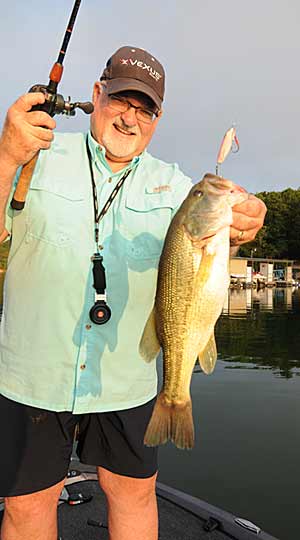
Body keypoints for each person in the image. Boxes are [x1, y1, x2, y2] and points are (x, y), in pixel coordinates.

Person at [0, 46, 266, 540]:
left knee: (135, 493)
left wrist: (248, 217)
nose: (131, 117)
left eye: (146, 109)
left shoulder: (174, 186)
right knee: (27, 506)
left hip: (128, 376)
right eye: (122, 100)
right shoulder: (36, 152)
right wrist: (6, 155)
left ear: (158, 119)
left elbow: (225, 227)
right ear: (97, 95)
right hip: (32, 373)